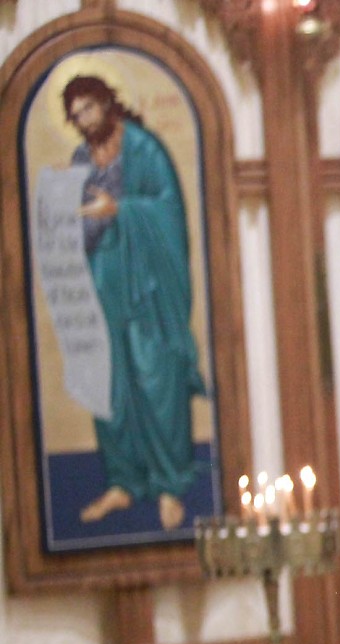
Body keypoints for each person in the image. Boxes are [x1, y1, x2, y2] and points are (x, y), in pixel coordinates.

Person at [63, 75, 206, 532]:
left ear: (107, 103)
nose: (83, 121)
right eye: (75, 115)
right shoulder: (81, 159)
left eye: (88, 109)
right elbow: (72, 220)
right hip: (103, 276)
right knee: (110, 380)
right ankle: (122, 480)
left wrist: (121, 210)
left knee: (155, 375)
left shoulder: (144, 149)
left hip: (147, 284)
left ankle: (169, 484)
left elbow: (168, 210)